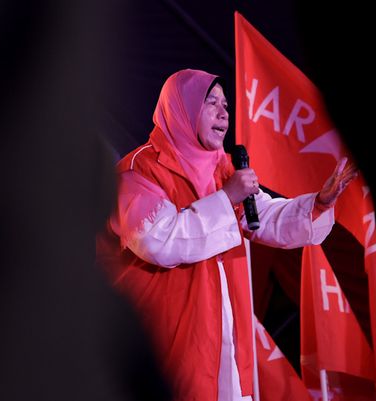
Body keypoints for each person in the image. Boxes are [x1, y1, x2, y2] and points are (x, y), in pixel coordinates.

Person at [96, 68, 357, 401]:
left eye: (227, 105)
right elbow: (159, 241)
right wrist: (226, 197)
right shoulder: (138, 171)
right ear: (181, 108)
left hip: (221, 338)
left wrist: (318, 203)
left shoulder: (225, 170)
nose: (224, 113)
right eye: (211, 103)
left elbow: (265, 217)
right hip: (163, 342)